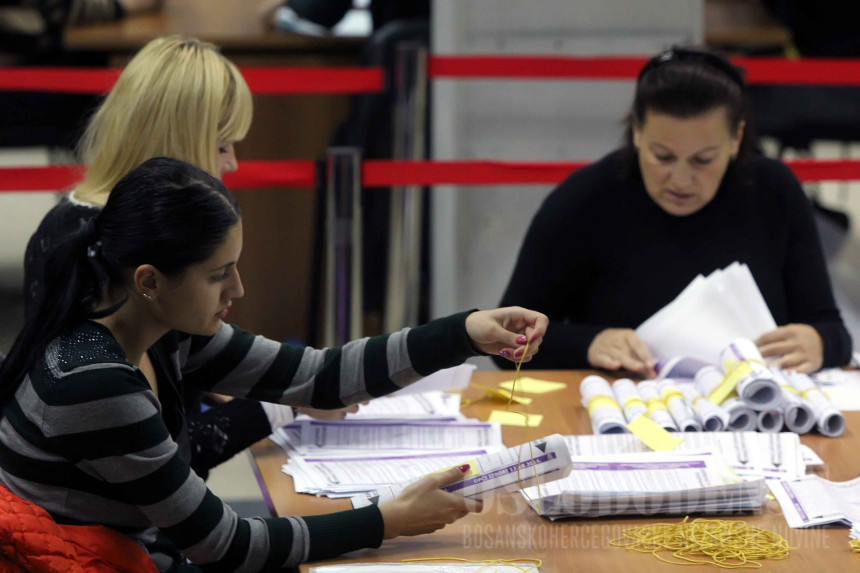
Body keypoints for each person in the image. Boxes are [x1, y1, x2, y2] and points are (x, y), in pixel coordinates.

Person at [0, 157, 548, 571]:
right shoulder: (96, 383)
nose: (237, 288)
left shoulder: (160, 331)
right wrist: (387, 522)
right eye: (219, 274)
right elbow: (223, 545)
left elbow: (320, 377)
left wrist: (465, 332)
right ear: (149, 281)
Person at [20, 34, 329, 480]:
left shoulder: (73, 222)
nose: (233, 164)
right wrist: (282, 408)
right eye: (223, 145)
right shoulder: (118, 260)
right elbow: (171, 459)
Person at [495, 46, 852, 376]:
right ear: (636, 131)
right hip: (626, 417)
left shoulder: (775, 191)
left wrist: (819, 344)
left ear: (736, 139)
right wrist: (588, 343)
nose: (681, 180)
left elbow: (831, 328)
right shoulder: (587, 199)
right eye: (662, 156)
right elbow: (504, 342)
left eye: (703, 160)